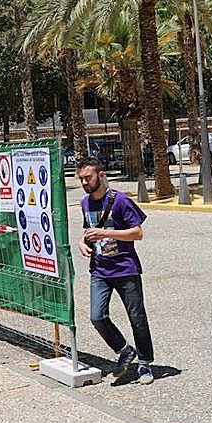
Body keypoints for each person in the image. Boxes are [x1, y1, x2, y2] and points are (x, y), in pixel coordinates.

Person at [76, 157, 155, 384]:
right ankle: (124, 350)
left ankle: (144, 363)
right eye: (81, 179)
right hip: (100, 270)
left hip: (125, 268)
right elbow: (87, 230)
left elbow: (137, 233)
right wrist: (83, 243)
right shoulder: (85, 203)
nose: (84, 182)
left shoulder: (120, 201)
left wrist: (107, 234)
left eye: (88, 177)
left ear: (101, 175)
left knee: (136, 317)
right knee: (97, 316)